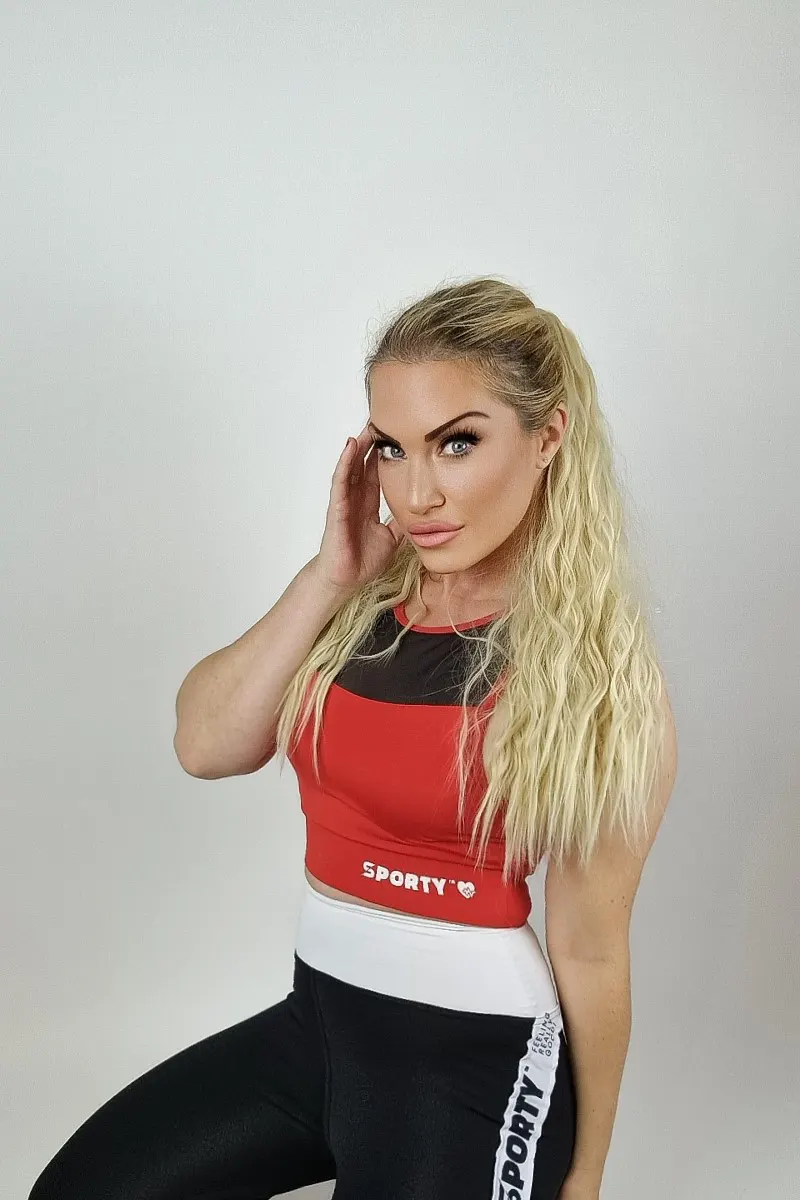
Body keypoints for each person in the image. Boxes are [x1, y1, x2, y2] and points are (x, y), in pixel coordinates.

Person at [29, 276, 677, 1200]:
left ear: (547, 438)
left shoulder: (596, 677)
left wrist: (585, 1174)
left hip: (476, 1066)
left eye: (458, 443)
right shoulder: (357, 611)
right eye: (392, 449)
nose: (418, 492)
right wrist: (330, 576)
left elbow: (592, 948)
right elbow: (205, 745)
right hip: (318, 1028)